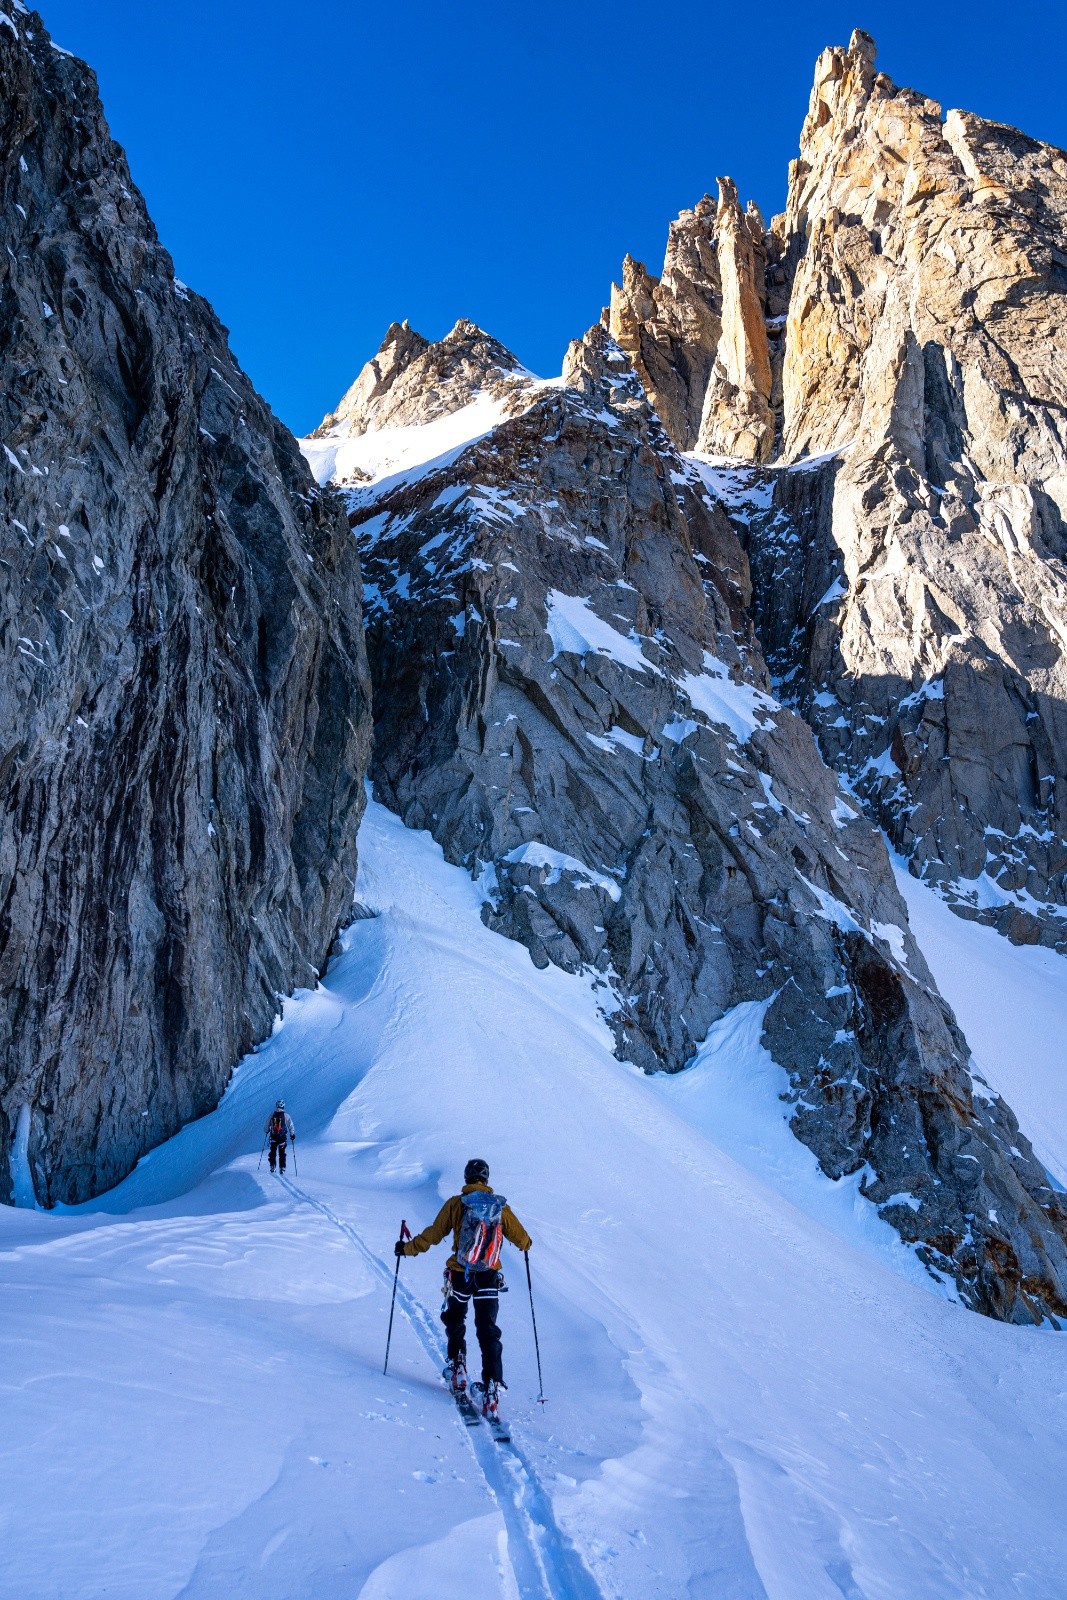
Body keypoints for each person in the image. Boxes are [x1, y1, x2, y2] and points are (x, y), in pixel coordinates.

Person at [396, 1159, 532, 1418]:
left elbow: (434, 1234)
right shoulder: (499, 1207)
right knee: (488, 1330)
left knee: (455, 1319)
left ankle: (457, 1366)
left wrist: (407, 1249)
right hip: (488, 1277)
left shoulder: (456, 1204)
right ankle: (491, 1386)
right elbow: (523, 1240)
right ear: (487, 1179)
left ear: (467, 1178)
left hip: (460, 1274)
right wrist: (525, 1244)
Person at [264, 1100, 295, 1174]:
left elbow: (267, 1124)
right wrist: (292, 1134)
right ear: (283, 1106)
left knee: (273, 1152)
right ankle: (282, 1168)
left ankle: (272, 1166)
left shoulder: (272, 1114)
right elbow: (290, 1125)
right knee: (282, 1153)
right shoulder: (286, 1115)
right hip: (282, 1138)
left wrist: (266, 1130)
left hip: (273, 1137)